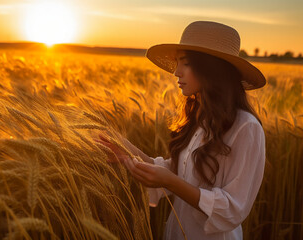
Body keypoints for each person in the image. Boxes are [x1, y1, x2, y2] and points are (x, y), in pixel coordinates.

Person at [95, 20, 266, 240]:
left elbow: (233, 208)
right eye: (177, 63)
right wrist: (127, 152)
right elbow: (178, 172)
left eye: (185, 63)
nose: (176, 72)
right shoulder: (200, 117)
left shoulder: (246, 128)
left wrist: (169, 182)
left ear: (211, 68)